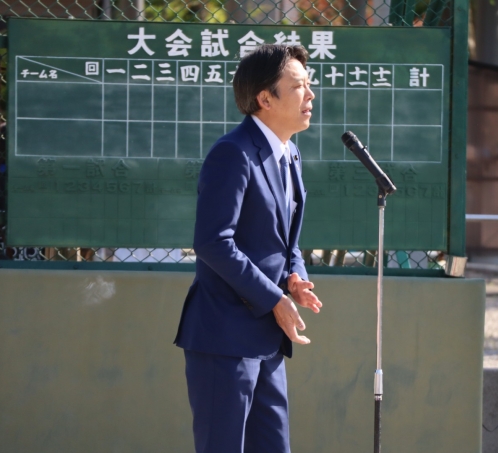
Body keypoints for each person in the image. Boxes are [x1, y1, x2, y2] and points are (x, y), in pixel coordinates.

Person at [174, 44, 322, 453]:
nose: (310, 94)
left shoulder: (289, 152)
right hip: (223, 338)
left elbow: (284, 240)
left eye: (308, 84)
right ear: (265, 99)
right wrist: (273, 298)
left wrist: (295, 277)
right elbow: (212, 242)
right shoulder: (233, 153)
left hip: (267, 339)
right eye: (298, 86)